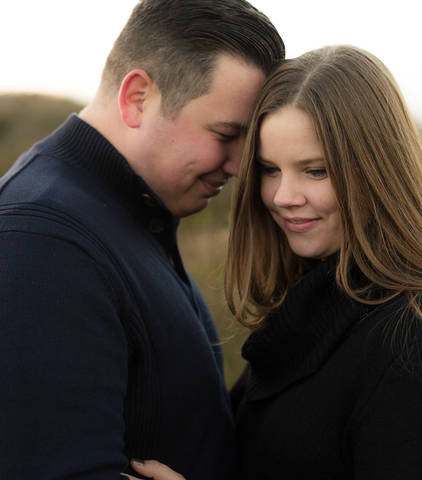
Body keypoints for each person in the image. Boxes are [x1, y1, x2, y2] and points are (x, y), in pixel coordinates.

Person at [0, 1, 284, 479]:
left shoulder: (129, 211)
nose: (239, 165)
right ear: (137, 98)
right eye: (225, 134)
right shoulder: (41, 238)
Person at [222, 45, 422, 479]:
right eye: (270, 169)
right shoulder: (305, 311)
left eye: (315, 170)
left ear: (377, 170)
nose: (284, 196)